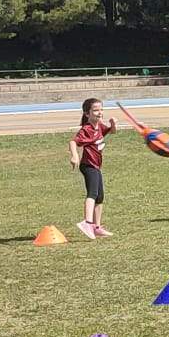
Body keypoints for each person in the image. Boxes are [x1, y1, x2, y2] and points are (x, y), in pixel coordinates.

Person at [67, 97, 118, 240]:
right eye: (95, 110)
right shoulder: (86, 129)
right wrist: (75, 156)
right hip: (88, 166)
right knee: (93, 194)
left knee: (100, 197)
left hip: (96, 166)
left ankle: (97, 226)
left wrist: (113, 124)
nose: (99, 112)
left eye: (101, 109)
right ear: (87, 114)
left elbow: (111, 132)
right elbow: (73, 141)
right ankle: (87, 222)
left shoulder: (99, 126)